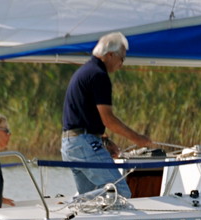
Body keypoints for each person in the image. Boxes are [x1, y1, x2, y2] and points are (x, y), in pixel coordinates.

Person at [61, 31, 155, 197]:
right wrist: (138, 139)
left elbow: (84, 114)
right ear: (110, 55)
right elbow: (108, 119)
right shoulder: (99, 75)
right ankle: (72, 204)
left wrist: (103, 139)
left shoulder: (85, 71)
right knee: (120, 193)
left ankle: (75, 205)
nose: (122, 64)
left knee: (91, 200)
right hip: (84, 143)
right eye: (122, 59)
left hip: (70, 145)